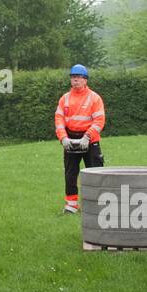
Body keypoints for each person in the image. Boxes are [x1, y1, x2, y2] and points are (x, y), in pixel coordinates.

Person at [53, 64, 105, 214]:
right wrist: (63, 138)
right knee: (70, 173)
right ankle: (71, 205)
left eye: (78, 77)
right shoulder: (65, 99)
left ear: (85, 80)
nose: (74, 80)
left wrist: (87, 137)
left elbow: (99, 121)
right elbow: (59, 119)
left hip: (90, 140)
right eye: (72, 77)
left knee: (95, 173)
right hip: (70, 139)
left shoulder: (94, 98)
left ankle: (96, 205)